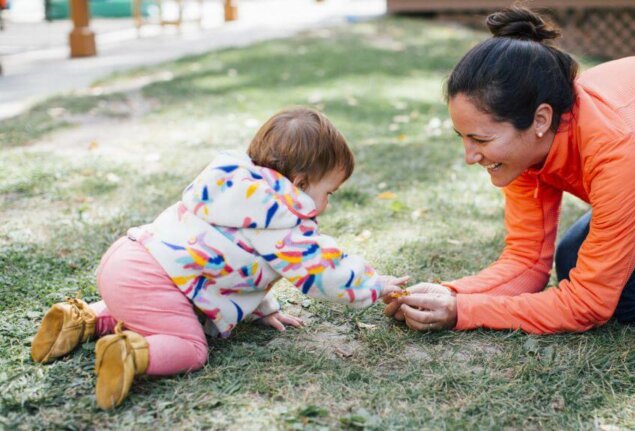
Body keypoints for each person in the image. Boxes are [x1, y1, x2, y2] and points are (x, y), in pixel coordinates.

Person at [384, 6, 635, 334]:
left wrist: (464, 314)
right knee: (572, 260)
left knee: (628, 297)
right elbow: (528, 262)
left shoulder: (617, 150)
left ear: (539, 120)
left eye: (480, 140)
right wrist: (450, 294)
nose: (469, 155)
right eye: (462, 137)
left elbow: (590, 305)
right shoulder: (529, 146)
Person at [30, 107, 408, 409]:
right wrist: (373, 284)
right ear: (301, 184)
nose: (326, 204)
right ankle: (131, 352)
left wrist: (265, 308)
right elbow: (324, 273)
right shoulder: (285, 222)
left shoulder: (233, 185)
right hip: (154, 282)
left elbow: (239, 265)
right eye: (330, 192)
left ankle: (80, 319)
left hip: (129, 258)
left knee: (159, 310)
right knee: (190, 347)